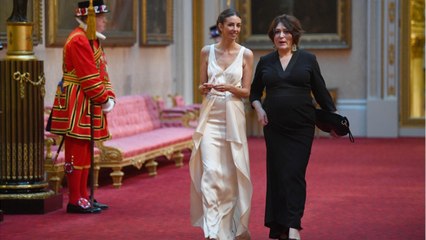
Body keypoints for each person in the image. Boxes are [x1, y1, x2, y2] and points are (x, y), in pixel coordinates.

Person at [249, 14, 337, 240]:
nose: (281, 36)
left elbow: (321, 92)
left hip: (301, 128)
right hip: (274, 128)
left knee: (294, 174)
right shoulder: (265, 62)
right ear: (272, 37)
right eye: (277, 32)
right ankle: (279, 227)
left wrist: (334, 119)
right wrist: (258, 109)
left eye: (286, 32)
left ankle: (293, 226)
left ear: (294, 35)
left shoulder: (308, 59)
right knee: (278, 175)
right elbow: (254, 93)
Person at [189, 8, 254, 240]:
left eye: (238, 25)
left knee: (229, 176)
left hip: (233, 118)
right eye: (231, 25)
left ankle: (230, 228)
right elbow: (200, 86)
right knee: (211, 172)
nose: (235, 29)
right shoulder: (206, 51)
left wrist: (231, 89)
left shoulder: (246, 54)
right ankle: (213, 230)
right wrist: (204, 88)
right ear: (220, 26)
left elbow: (246, 91)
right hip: (210, 118)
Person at [48, 0, 115, 214]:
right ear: (91, 18)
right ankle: (74, 199)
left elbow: (101, 71)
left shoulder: (92, 39)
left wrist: (109, 95)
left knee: (86, 150)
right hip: (78, 101)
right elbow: (88, 76)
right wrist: (104, 98)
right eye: (101, 17)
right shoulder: (78, 40)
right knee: (75, 152)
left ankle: (84, 195)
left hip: (88, 100)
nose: (105, 21)